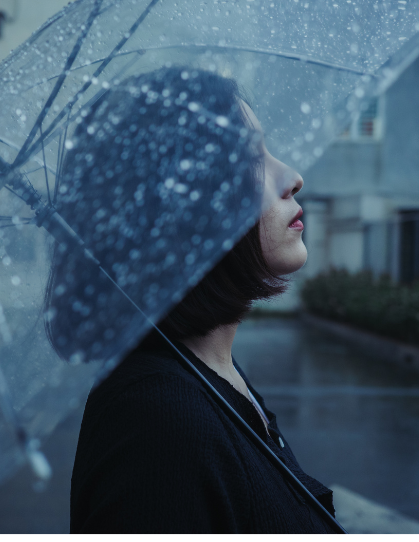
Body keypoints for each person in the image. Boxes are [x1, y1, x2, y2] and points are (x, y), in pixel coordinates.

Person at [46, 67, 339, 534]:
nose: (293, 177)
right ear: (182, 205)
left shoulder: (211, 374)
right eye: (250, 158)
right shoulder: (158, 425)